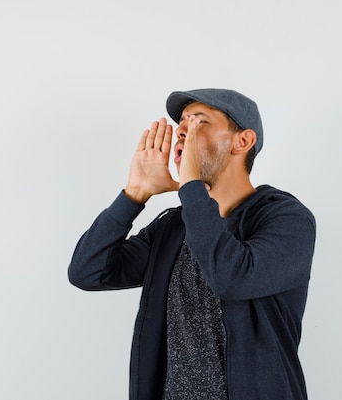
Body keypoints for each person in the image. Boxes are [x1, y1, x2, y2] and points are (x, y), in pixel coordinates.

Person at [68, 88, 316, 400]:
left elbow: (231, 277)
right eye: (182, 125)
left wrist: (192, 187)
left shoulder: (287, 219)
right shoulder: (174, 226)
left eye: (199, 123)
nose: (182, 132)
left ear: (243, 141)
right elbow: (87, 272)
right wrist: (134, 194)